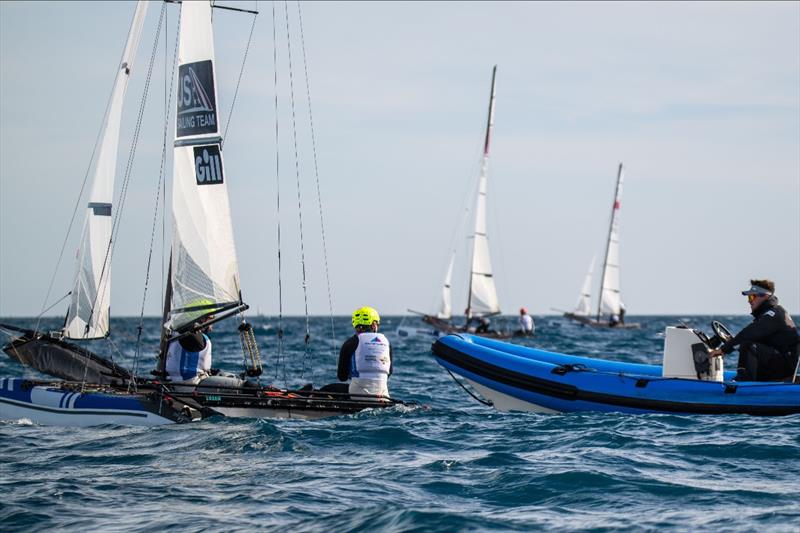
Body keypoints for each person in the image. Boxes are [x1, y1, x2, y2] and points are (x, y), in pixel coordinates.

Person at [709, 279, 799, 382]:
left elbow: (749, 333)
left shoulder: (773, 314)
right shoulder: (769, 313)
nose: (749, 301)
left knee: (748, 345)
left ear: (764, 296)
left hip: (785, 367)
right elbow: (756, 336)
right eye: (748, 297)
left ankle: (743, 382)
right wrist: (732, 342)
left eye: (752, 296)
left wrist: (723, 349)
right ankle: (748, 380)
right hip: (779, 362)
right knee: (746, 343)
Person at [338, 306, 392, 398]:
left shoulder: (349, 343)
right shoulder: (386, 343)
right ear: (374, 325)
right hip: (382, 396)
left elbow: (342, 377)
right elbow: (389, 373)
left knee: (327, 389)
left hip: (356, 395)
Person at [165, 314, 215, 383]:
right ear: (203, 319)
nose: (213, 322)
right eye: (212, 318)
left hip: (172, 380)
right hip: (192, 383)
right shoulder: (195, 338)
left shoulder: (175, 334)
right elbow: (187, 330)